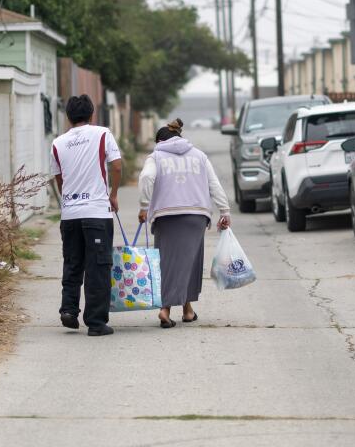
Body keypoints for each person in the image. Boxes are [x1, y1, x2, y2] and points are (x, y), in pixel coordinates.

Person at [137, 118, 231, 328]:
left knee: (168, 263)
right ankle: (186, 311)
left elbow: (146, 179)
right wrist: (224, 210)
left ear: (160, 141)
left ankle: (166, 309)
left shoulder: (156, 156)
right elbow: (214, 184)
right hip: (196, 215)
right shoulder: (199, 156)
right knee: (189, 261)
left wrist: (144, 206)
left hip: (166, 215)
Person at [50, 94, 123, 337]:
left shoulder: (58, 143)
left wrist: (67, 199)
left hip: (70, 214)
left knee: (72, 263)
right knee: (98, 266)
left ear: (68, 117)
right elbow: (117, 165)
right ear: (92, 114)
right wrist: (113, 194)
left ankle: (69, 310)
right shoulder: (102, 133)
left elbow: (58, 177)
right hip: (96, 213)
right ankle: (96, 322)